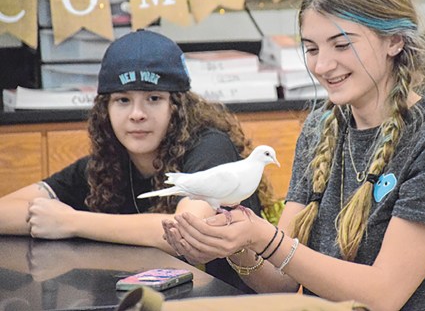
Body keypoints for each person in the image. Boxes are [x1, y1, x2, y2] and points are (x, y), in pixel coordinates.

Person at [162, 0, 425, 310]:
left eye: (342, 45)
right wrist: (233, 241)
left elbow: (382, 295)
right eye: (312, 48)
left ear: (395, 41)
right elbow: (281, 279)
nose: (322, 66)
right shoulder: (321, 127)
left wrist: (261, 237)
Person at [0, 29, 280, 293]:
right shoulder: (105, 166)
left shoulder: (210, 147)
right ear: (104, 110)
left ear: (178, 107)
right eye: (122, 100)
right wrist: (47, 218)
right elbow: (6, 211)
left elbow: (186, 228)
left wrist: (71, 222)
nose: (137, 114)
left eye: (153, 98)